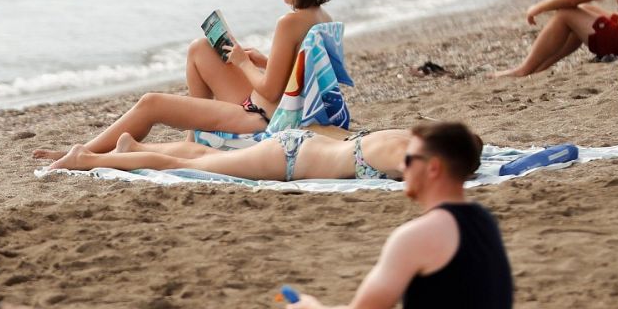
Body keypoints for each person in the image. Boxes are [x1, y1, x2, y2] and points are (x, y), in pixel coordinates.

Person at [200, 122, 513, 309]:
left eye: (409, 160)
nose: (402, 167)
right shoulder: (483, 221)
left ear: (433, 168)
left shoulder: (417, 236)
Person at [36, 0, 340, 164]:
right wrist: (264, 60)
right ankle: (193, 138)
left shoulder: (288, 22)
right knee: (199, 49)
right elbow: (300, 80)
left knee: (151, 103)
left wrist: (243, 62)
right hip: (277, 107)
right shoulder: (323, 20)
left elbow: (270, 88)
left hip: (261, 117)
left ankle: (84, 151)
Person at [43, 127, 410, 180]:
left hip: (299, 144)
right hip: (288, 158)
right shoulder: (404, 159)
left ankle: (134, 149)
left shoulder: (403, 137)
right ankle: (86, 159)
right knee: (185, 165)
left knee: (202, 155)